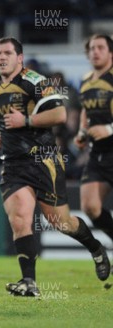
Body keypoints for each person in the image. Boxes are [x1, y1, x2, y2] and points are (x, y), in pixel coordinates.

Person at [0, 37, 110, 297]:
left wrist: (26, 119)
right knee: (20, 217)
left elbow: (60, 115)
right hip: (13, 164)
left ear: (20, 57)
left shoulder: (36, 82)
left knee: (60, 222)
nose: (2, 57)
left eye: (7, 52)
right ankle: (29, 282)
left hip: (43, 161)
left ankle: (95, 247)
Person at [74, 34, 113, 247]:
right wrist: (82, 131)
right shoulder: (86, 80)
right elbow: (85, 110)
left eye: (100, 47)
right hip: (98, 153)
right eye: (92, 48)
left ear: (111, 53)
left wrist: (108, 128)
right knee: (90, 207)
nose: (95, 52)